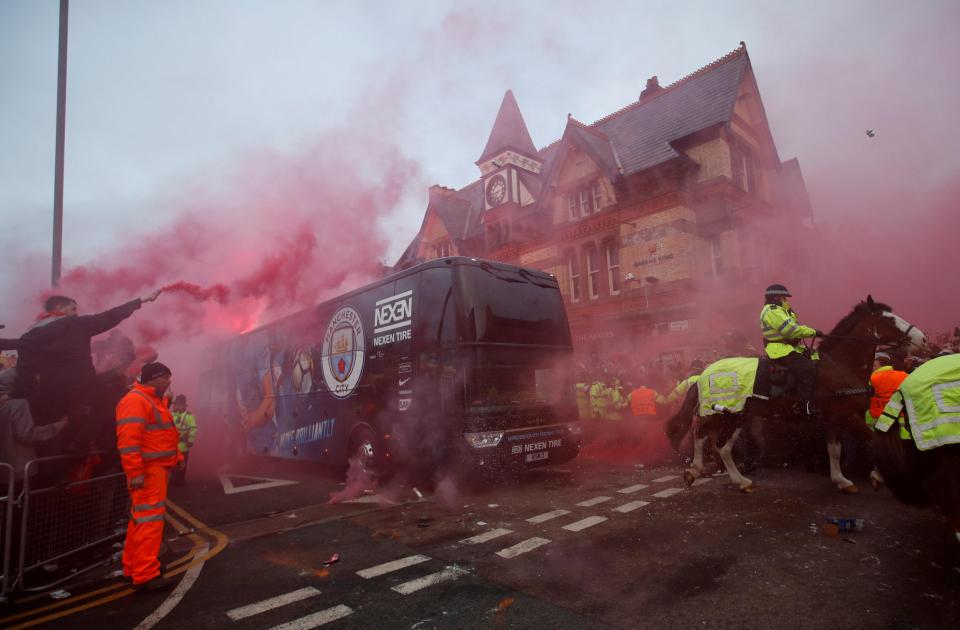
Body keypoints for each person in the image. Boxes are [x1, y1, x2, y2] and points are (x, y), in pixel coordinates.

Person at [14, 291, 162, 454]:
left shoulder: (32, 333)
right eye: (73, 309)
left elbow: (24, 367)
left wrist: (18, 394)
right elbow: (109, 316)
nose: (76, 313)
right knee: (108, 404)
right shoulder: (75, 324)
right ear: (59, 308)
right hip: (80, 387)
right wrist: (140, 300)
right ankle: (80, 443)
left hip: (46, 392)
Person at [116, 362, 181, 591]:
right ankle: (145, 574)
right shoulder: (136, 401)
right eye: (165, 377)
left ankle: (134, 567)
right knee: (150, 523)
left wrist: (177, 458)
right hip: (147, 472)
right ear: (153, 378)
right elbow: (128, 441)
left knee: (140, 521)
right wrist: (135, 473)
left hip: (155, 470)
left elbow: (165, 434)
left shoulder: (153, 399)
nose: (169, 381)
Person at [759, 284, 821, 414]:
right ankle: (805, 405)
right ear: (776, 297)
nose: (786, 300)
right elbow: (791, 330)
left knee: (817, 357)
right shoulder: (772, 311)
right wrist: (813, 332)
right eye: (784, 298)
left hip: (789, 347)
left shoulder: (781, 309)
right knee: (806, 368)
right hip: (780, 349)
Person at [0, 367, 68, 485]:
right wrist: (58, 426)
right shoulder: (19, 404)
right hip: (21, 468)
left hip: (4, 467)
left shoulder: (3, 404)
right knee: (25, 501)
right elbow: (27, 434)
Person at [170, 394, 197, 487]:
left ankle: (181, 483)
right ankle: (173, 482)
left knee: (182, 466)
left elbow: (193, 429)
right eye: (175, 404)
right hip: (172, 446)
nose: (176, 406)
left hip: (184, 447)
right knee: (172, 466)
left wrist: (191, 440)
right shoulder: (171, 415)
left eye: (178, 404)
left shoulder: (189, 417)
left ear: (183, 405)